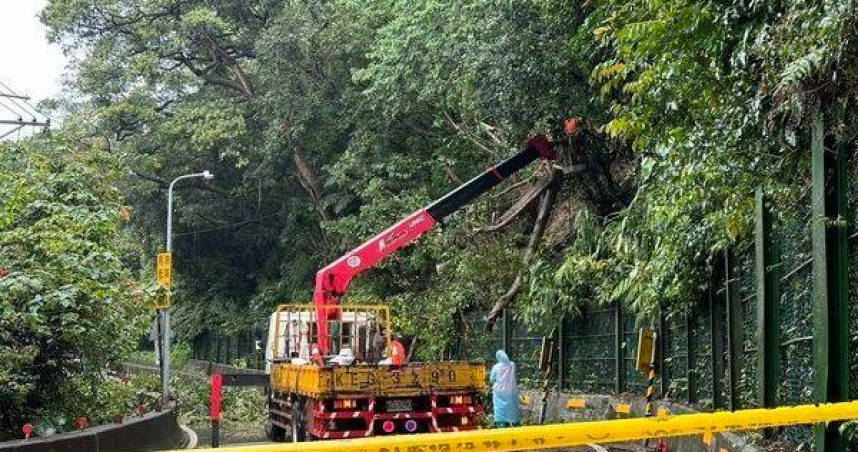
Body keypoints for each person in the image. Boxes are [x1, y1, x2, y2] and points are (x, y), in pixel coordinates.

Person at [490, 350, 521, 427]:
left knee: (500, 409)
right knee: (513, 407)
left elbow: (491, 379)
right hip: (511, 391)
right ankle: (515, 423)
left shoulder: (495, 367)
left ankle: (502, 424)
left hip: (499, 392)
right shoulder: (512, 365)